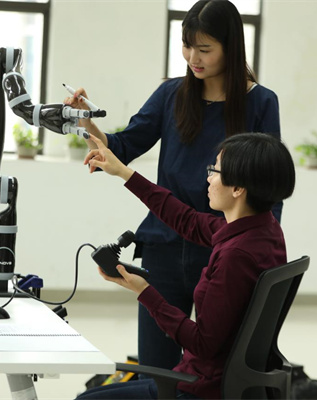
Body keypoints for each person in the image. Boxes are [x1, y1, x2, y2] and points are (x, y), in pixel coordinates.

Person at [64, 0, 282, 371]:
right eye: (186, 45)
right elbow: (122, 147)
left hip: (222, 249)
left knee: (218, 365)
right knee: (156, 369)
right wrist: (85, 121)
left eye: (204, 49)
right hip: (163, 245)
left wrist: (259, 247)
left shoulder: (260, 102)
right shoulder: (172, 94)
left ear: (230, 46)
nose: (193, 57)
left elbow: (269, 188)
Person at [75, 132, 296, 399]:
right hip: (225, 381)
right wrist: (123, 172)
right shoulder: (264, 230)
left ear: (238, 188)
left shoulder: (236, 256)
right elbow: (187, 221)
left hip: (200, 389)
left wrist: (144, 292)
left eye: (215, 170)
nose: (208, 178)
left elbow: (202, 343)